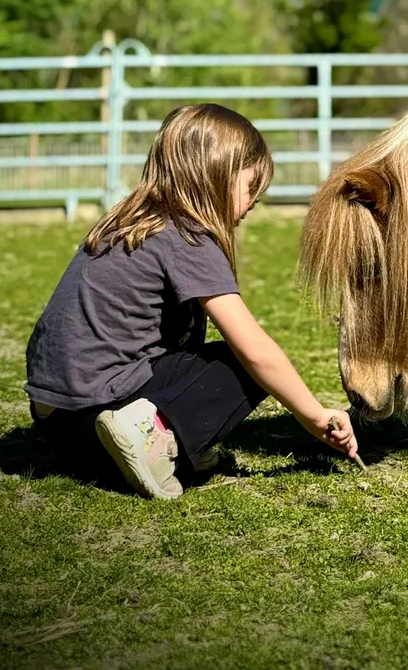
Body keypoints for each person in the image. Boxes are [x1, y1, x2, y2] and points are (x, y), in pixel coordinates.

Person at [25, 102, 358, 499]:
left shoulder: (122, 224)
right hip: (98, 414)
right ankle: (151, 439)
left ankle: (166, 440)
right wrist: (315, 417)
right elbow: (256, 352)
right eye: (251, 186)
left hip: (56, 427)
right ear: (216, 174)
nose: (254, 202)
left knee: (191, 351)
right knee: (239, 364)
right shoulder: (186, 237)